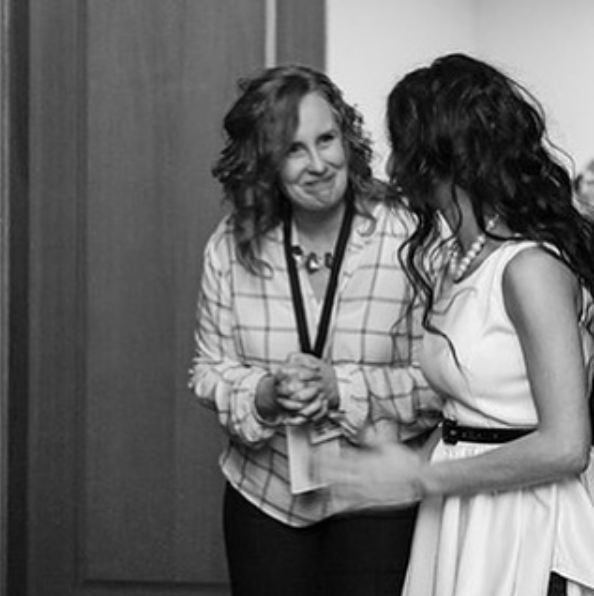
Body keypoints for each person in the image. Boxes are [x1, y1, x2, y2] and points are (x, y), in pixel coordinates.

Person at [326, 53, 594, 596]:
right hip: (460, 512)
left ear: (439, 155)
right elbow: (466, 417)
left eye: (402, 143)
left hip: (525, 522)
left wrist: (420, 478)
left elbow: (566, 445)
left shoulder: (529, 268)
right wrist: (395, 467)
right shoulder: (458, 259)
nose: (394, 163)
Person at [188, 64, 441, 596]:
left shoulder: (408, 234)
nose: (319, 164)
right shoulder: (231, 245)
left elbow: (445, 382)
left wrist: (341, 388)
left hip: (380, 498)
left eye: (327, 139)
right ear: (264, 162)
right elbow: (207, 371)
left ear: (347, 136)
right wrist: (264, 394)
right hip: (265, 497)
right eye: (293, 149)